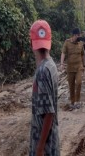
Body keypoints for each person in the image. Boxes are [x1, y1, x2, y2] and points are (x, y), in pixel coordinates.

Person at [29, 20, 60, 156]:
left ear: (32, 44)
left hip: (44, 142)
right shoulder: (51, 65)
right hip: (51, 137)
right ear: (50, 43)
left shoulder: (42, 71)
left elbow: (49, 112)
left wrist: (40, 148)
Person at [60, 28, 85, 110]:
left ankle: (77, 101)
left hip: (79, 67)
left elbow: (82, 55)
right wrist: (62, 63)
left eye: (79, 35)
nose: (79, 37)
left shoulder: (81, 44)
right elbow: (63, 53)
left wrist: (84, 65)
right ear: (74, 35)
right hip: (70, 67)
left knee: (79, 82)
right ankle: (72, 101)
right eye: (78, 35)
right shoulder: (67, 43)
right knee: (71, 85)